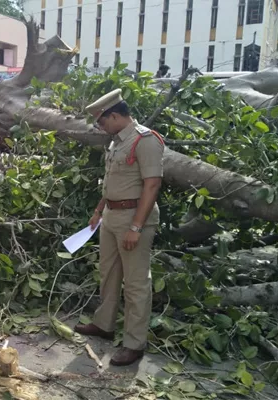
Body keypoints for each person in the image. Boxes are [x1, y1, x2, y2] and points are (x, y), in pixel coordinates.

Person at [75, 88, 165, 367]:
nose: (101, 127)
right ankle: (104, 324)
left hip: (134, 216)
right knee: (109, 273)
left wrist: (136, 227)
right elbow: (111, 181)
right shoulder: (117, 142)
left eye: (102, 122)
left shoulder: (145, 141)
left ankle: (134, 344)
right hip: (111, 216)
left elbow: (152, 185)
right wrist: (98, 210)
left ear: (114, 116)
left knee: (136, 282)